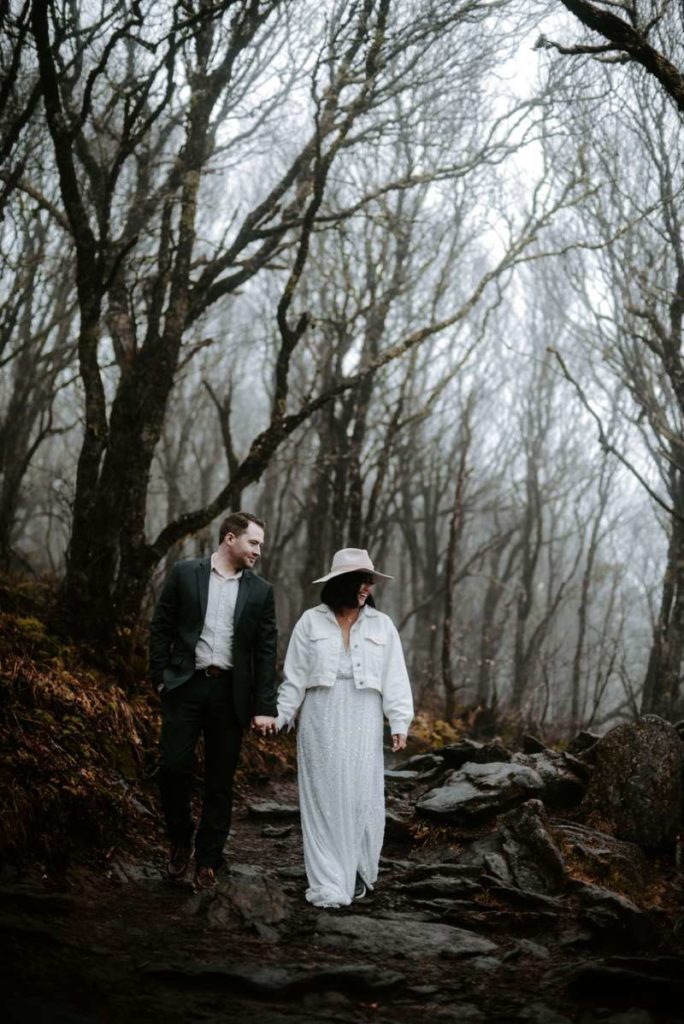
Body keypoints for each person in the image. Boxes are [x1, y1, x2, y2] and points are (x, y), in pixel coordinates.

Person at [276, 547, 413, 908]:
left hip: (364, 715)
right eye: (360, 580)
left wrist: (399, 722)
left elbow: (395, 677)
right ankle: (328, 880)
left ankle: (355, 869)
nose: (367, 587)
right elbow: (294, 677)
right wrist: (280, 716)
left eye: (369, 581)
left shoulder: (382, 625)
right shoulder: (310, 622)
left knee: (360, 794)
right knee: (323, 795)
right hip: (320, 713)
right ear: (341, 583)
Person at [149, 511, 278, 890]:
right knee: (173, 768)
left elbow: (266, 651)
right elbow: (161, 626)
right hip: (185, 686)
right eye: (253, 542)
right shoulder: (185, 573)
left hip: (229, 695)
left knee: (220, 781)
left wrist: (264, 706)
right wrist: (160, 677)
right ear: (229, 538)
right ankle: (180, 838)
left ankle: (208, 859)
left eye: (260, 545)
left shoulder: (261, 591)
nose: (258, 551)